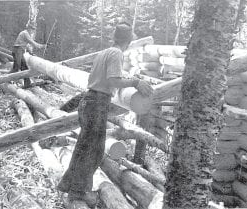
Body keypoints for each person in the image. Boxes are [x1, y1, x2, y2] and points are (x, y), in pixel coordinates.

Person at [57, 22, 153, 207]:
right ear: (129, 40)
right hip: (96, 105)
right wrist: (135, 82)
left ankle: (70, 186)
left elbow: (107, 79)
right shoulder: (116, 53)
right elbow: (112, 79)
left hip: (90, 101)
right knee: (93, 150)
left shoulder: (105, 52)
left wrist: (125, 83)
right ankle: (79, 193)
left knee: (85, 147)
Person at [10, 23, 45, 88]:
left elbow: (28, 45)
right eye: (32, 29)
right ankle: (7, 79)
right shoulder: (25, 33)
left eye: (33, 30)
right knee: (17, 66)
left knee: (24, 67)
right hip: (17, 50)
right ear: (28, 28)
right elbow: (32, 42)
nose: (33, 31)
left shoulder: (26, 34)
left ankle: (27, 83)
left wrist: (31, 53)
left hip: (20, 51)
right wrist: (42, 46)